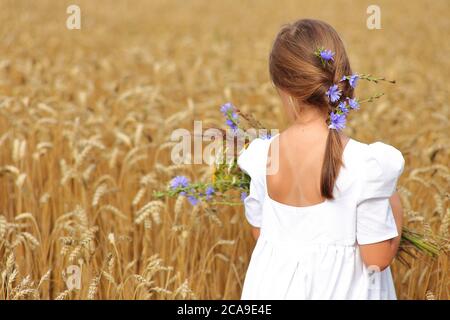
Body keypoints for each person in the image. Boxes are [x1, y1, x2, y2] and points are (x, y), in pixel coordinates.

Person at [237, 19, 405, 300]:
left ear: (282, 87)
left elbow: (261, 234)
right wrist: (395, 208)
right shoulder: (366, 166)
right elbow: (377, 258)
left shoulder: (260, 157)